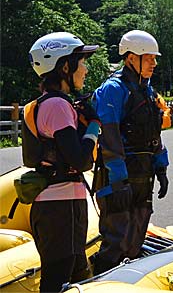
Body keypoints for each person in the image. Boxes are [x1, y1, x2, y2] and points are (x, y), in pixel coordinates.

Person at [24, 32, 100, 292]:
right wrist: (93, 129)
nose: (86, 69)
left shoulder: (55, 103)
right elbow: (80, 161)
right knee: (58, 282)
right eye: (82, 61)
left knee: (78, 275)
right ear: (65, 66)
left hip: (62, 204)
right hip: (59, 207)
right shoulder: (56, 105)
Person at [92, 30, 170, 274]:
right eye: (149, 58)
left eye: (154, 59)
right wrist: (118, 180)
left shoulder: (147, 91)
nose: (154, 63)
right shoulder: (113, 89)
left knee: (136, 235)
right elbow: (110, 136)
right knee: (116, 238)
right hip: (118, 176)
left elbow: (153, 133)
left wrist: (161, 165)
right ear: (130, 58)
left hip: (142, 172)